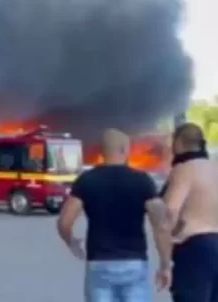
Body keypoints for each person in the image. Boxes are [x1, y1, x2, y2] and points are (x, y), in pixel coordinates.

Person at [57, 129, 172, 302]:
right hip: (134, 262)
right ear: (125, 150)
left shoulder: (87, 180)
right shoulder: (142, 181)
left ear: (102, 152)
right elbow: (161, 225)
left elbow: (64, 222)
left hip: (99, 263)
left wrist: (71, 242)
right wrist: (165, 265)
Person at [162, 123, 218, 302]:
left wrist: (171, 241)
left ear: (178, 142)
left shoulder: (184, 170)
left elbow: (170, 210)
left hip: (195, 249)